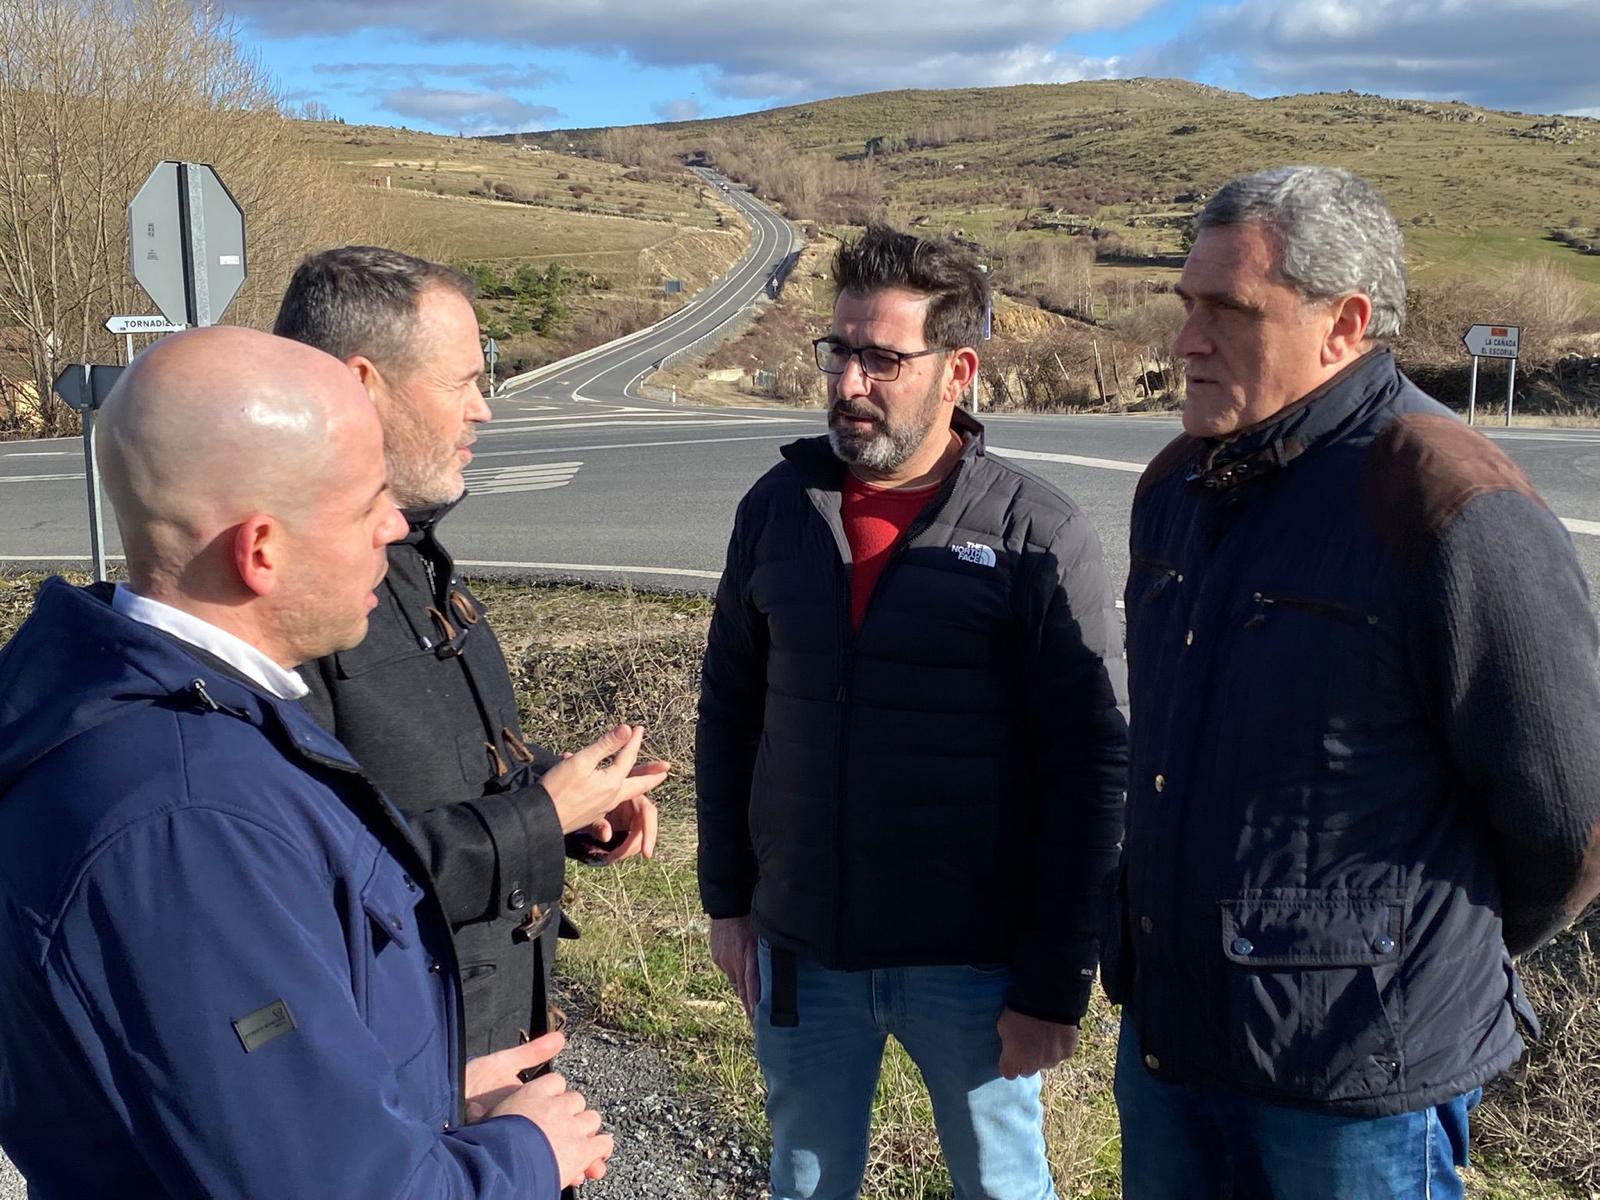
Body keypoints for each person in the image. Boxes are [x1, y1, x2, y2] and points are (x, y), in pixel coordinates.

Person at [0, 327, 615, 1197]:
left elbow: (236, 1104)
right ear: (262, 551)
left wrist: (422, 1097)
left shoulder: (203, 711)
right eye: (368, 505)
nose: (394, 528)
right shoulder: (183, 822)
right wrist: (525, 1154)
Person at [1109, 164, 1600, 1199]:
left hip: (1357, 1079)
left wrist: (1413, 953)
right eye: (1186, 304)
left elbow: (1569, 817)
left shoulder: (1443, 496)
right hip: (1170, 1044)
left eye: (1229, 310)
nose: (1186, 340)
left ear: (1344, 323)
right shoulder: (1176, 485)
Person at [696, 224, 1129, 1200]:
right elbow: (729, 711)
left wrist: (1055, 981)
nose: (849, 383)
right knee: (804, 1182)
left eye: (882, 359)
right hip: (804, 948)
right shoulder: (777, 508)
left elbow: (1091, 767)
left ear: (957, 371)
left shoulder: (1034, 531)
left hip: (973, 965)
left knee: (1002, 1187)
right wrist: (728, 900)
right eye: (838, 351)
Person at [273, 246, 667, 1058]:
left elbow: (426, 774)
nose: (483, 410)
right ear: (362, 386)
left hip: (490, 1040)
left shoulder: (414, 558)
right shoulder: (288, 599)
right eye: (461, 383)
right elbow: (311, 879)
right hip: (403, 1062)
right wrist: (539, 816)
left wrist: (568, 797)